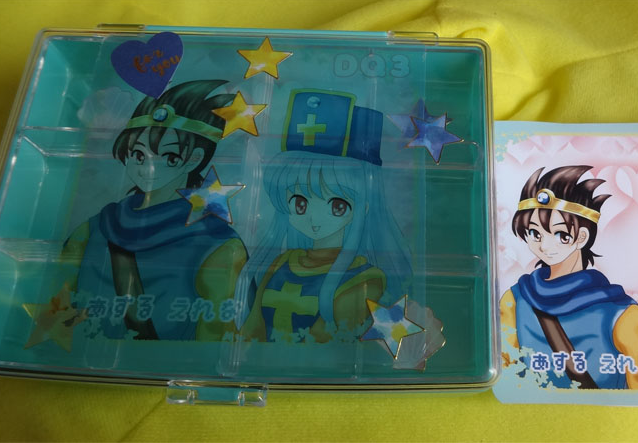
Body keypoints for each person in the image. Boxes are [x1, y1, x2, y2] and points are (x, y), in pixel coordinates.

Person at [51, 80, 247, 342]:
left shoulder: (218, 244)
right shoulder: (95, 228)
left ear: (195, 159)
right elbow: (56, 307)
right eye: (139, 155)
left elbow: (213, 341)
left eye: (170, 158)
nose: (148, 168)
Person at [236, 89, 411, 343]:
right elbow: (252, 328)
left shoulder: (364, 279)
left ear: (363, 207)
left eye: (337, 206)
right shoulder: (280, 263)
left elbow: (329, 343)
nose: (314, 219)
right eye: (300, 204)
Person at [500, 165, 638, 389]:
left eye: (559, 234)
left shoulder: (622, 314)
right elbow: (506, 374)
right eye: (534, 233)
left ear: (582, 237)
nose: (544, 245)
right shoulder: (514, 301)